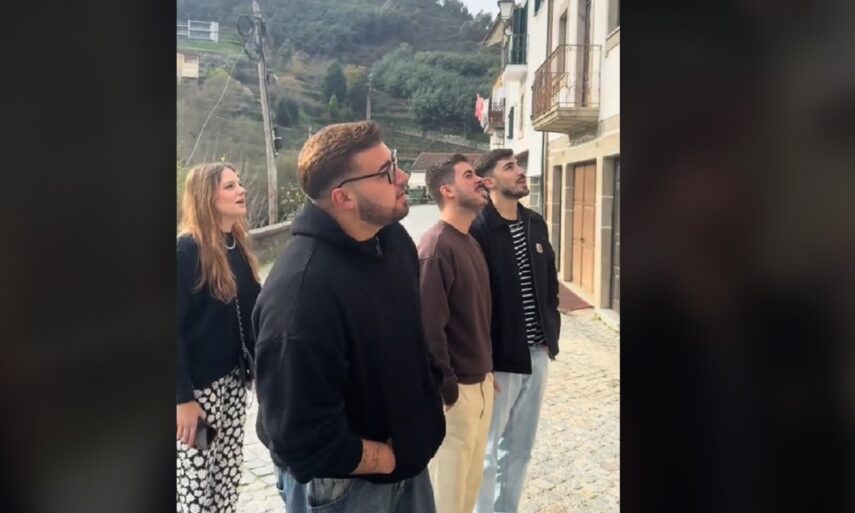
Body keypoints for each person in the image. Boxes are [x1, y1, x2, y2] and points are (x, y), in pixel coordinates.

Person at [252, 121, 445, 513]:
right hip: (344, 486)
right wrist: (385, 460)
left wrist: (428, 395)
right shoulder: (300, 296)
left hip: (409, 468)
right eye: (386, 172)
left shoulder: (391, 240)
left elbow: (409, 335)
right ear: (343, 198)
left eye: (395, 162)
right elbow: (297, 436)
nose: (402, 178)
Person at [470, 149, 561, 513]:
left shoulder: (535, 222)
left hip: (537, 353)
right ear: (488, 181)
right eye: (509, 167)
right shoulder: (478, 228)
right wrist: (483, 360)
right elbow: (471, 300)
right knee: (488, 451)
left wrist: (551, 333)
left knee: (520, 450)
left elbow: (550, 282)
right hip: (499, 362)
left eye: (518, 166)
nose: (520, 172)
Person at [176, 162, 262, 513]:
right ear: (206, 197)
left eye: (239, 184)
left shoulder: (235, 245)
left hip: (233, 384)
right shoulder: (185, 251)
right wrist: (183, 401)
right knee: (197, 478)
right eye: (230, 186)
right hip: (199, 393)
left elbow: (254, 311)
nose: (241, 190)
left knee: (226, 472)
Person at [418, 155, 494, 513]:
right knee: (446, 500)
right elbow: (428, 330)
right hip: (456, 396)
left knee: (468, 493)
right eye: (469, 175)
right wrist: (449, 390)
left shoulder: (470, 243)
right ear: (447, 190)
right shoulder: (435, 248)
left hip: (481, 386)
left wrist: (487, 371)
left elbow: (476, 316)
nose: (480, 180)